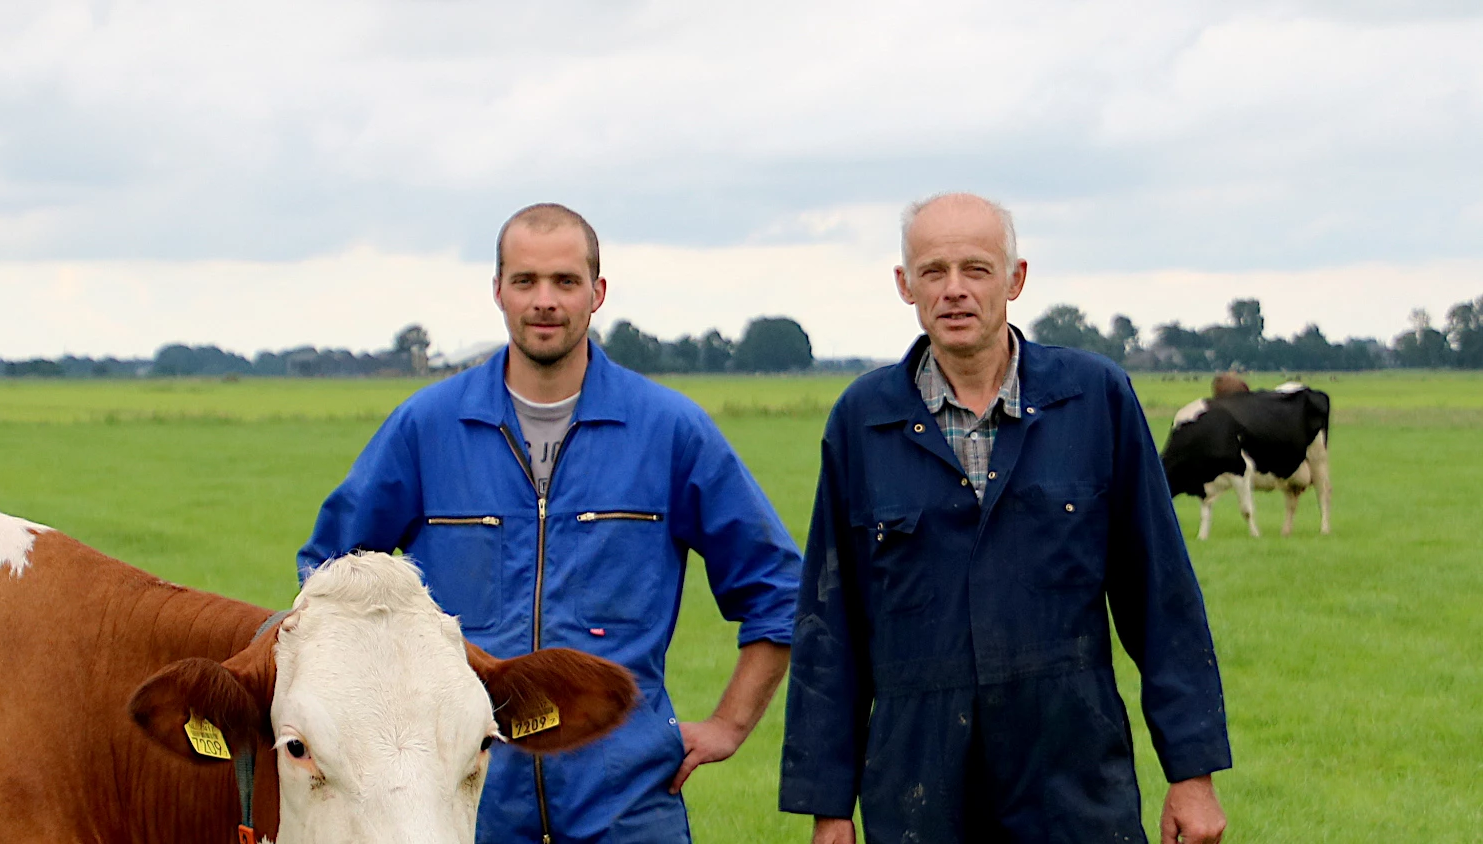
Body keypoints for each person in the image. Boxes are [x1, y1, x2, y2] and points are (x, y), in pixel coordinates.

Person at [299, 203, 801, 844]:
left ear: (597, 293)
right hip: (468, 805)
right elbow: (328, 581)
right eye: (526, 281)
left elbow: (779, 592)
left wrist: (730, 724)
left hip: (627, 805)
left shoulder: (669, 431)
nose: (545, 301)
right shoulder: (426, 428)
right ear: (498, 291)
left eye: (565, 282)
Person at [779, 193, 1231, 844]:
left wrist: (1193, 773)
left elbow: (1161, 596)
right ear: (905, 286)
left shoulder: (1094, 400)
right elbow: (830, 623)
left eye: (977, 269)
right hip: (917, 783)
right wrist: (827, 809)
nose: (954, 290)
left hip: (1071, 775)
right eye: (933, 272)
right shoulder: (862, 420)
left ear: (1016, 279)